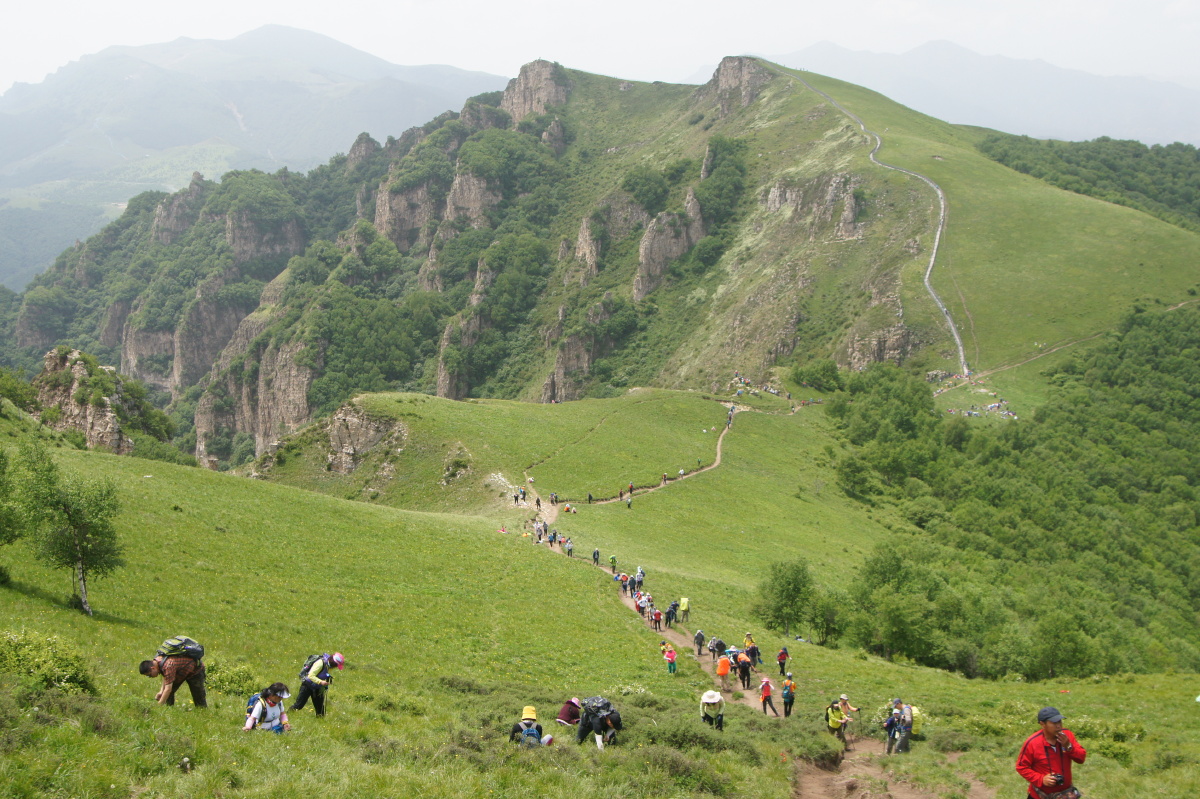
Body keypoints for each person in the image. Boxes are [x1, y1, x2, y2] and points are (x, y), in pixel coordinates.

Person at [1016, 707, 1086, 798]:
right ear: (1042, 724)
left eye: (1060, 722)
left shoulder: (1067, 735)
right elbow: (1021, 767)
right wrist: (1041, 779)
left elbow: (1081, 758)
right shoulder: (1032, 743)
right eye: (1054, 723)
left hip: (1065, 794)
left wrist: (1068, 746)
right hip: (1040, 796)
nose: (1058, 726)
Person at [139, 639, 207, 707]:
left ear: (153, 668)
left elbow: (168, 689)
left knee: (199, 698)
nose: (150, 677)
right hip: (180, 671)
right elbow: (166, 676)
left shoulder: (168, 665)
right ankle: (168, 709)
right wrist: (161, 691)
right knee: (167, 694)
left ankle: (202, 710)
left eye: (150, 675)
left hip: (195, 670)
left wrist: (159, 706)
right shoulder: (158, 660)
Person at [290, 652, 345, 717]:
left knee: (320, 711)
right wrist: (321, 682)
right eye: (336, 665)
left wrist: (326, 682)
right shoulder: (320, 663)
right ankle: (287, 716)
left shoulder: (329, 666)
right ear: (333, 662)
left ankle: (320, 721)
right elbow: (310, 675)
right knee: (298, 706)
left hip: (318, 687)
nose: (336, 667)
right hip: (307, 685)